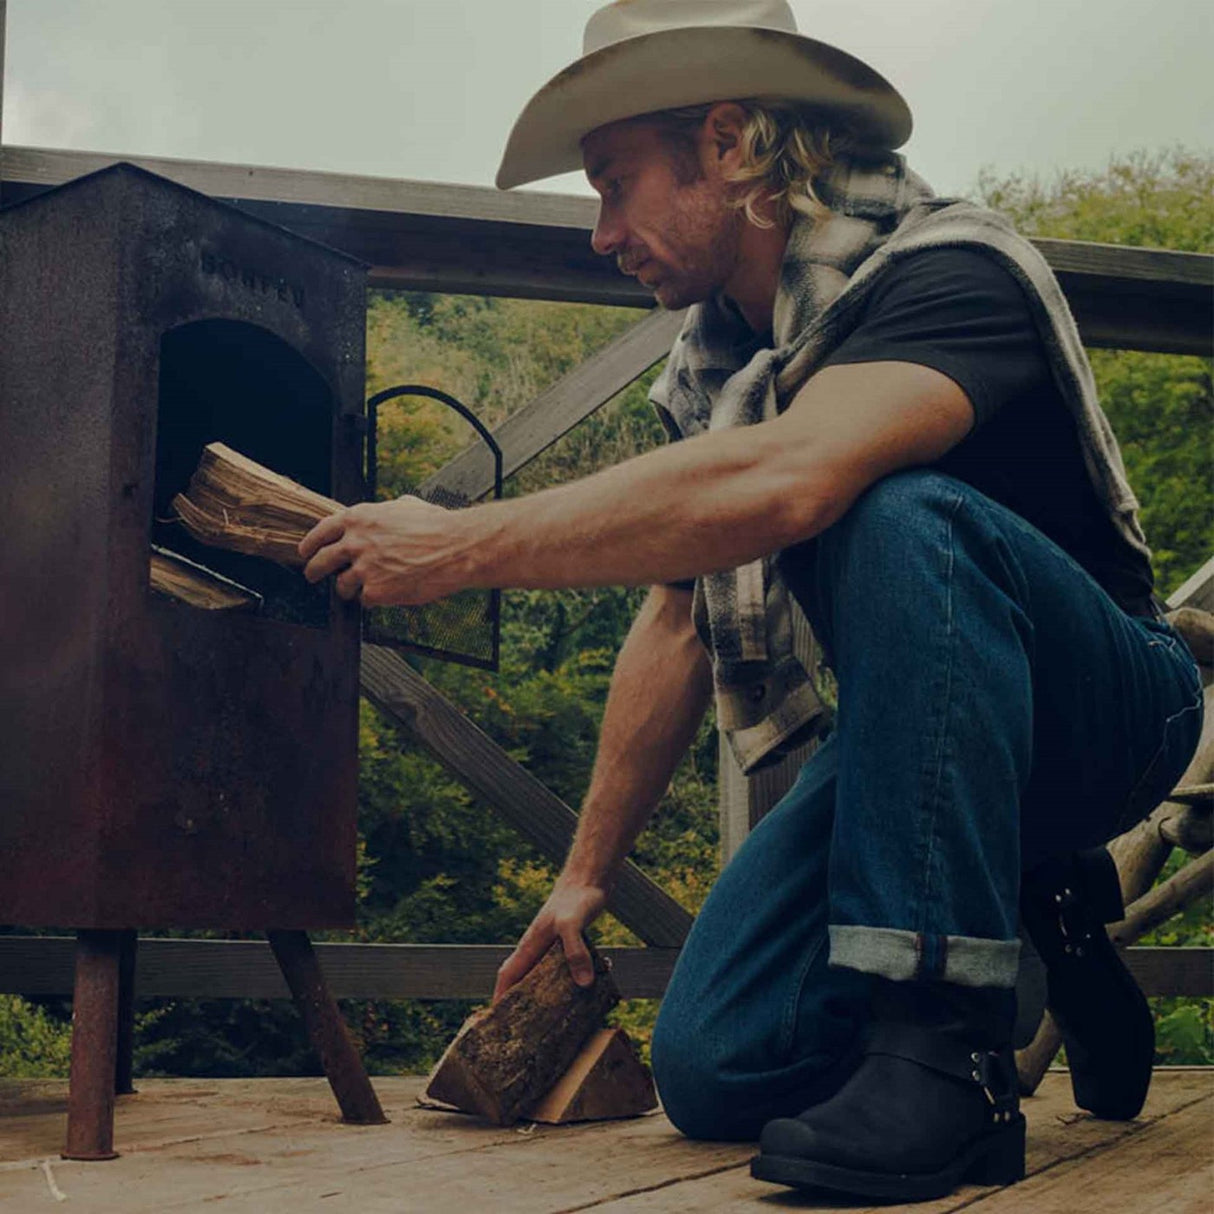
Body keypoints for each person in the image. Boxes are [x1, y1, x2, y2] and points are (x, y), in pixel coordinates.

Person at [299, 1, 1204, 1201]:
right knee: (715, 1063)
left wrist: (459, 545)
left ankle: (947, 1057)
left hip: (1111, 716)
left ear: (725, 145)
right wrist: (580, 876)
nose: (600, 235)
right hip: (920, 750)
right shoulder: (717, 370)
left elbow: (792, 477)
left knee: (900, 510)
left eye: (613, 184)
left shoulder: (949, 269)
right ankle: (1048, 899)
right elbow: (677, 617)